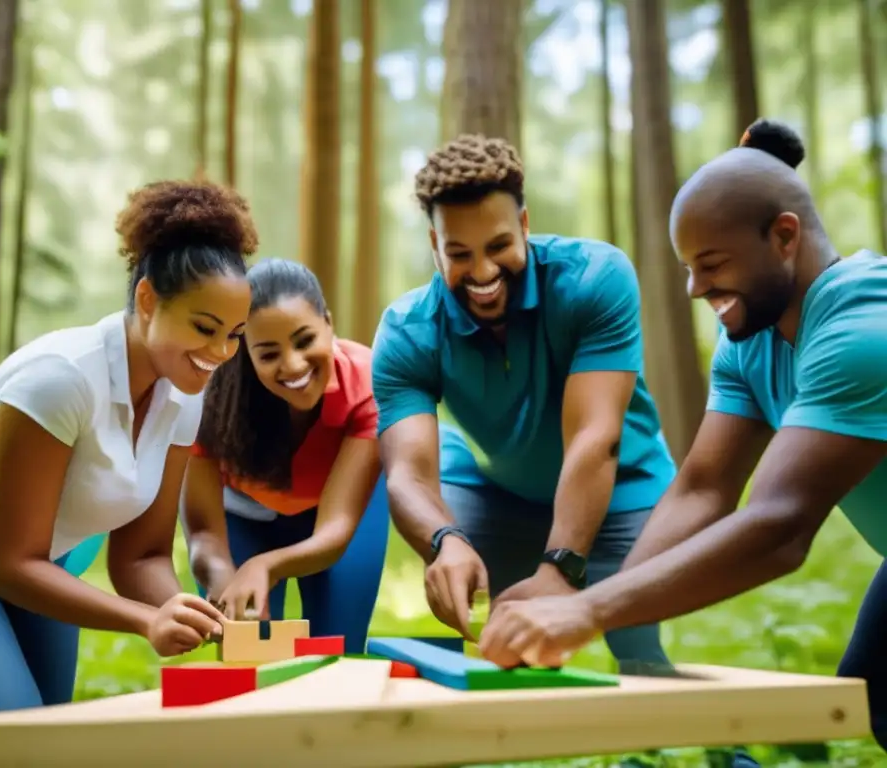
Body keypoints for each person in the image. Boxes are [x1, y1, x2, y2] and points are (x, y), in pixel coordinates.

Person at [478, 119, 887, 750]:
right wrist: (592, 603)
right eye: (688, 268)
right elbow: (702, 491)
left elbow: (779, 527)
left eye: (713, 265)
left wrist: (585, 611)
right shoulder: (749, 342)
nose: (696, 289)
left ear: (783, 237)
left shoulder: (859, 335)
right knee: (875, 701)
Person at [0, 178, 257, 767]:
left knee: (47, 752)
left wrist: (191, 615)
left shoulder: (184, 393)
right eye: (205, 328)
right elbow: (9, 563)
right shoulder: (61, 378)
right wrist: (147, 620)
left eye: (234, 335)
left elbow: (141, 556)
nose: (221, 353)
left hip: (34, 567)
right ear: (148, 300)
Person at [370, 133, 676, 671]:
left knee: (635, 646)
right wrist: (444, 542)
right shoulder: (406, 331)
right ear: (434, 245)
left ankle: (718, 754)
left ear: (526, 226)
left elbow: (594, 438)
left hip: (621, 483)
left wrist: (560, 567)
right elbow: (407, 476)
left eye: (498, 246)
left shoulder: (594, 279)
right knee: (504, 647)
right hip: (497, 492)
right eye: (459, 253)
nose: (484, 273)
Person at [183, 258, 387, 654]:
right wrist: (223, 573)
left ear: (328, 323)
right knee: (249, 650)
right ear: (245, 349)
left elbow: (335, 532)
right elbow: (204, 531)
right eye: (269, 353)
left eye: (305, 339)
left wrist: (266, 566)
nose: (293, 364)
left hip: (337, 513)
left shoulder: (367, 383)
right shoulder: (207, 396)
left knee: (336, 647)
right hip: (242, 515)